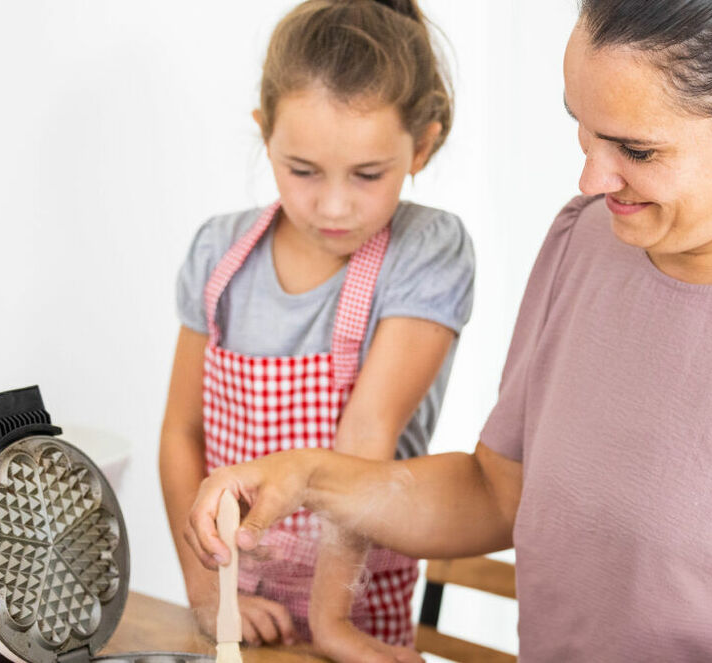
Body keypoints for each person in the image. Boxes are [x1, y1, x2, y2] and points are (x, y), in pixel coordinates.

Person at [185, 1, 712, 661]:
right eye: (584, 129)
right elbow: (495, 492)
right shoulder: (586, 240)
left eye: (636, 148)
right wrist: (307, 476)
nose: (592, 176)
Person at [157, 1, 474, 661]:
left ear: (421, 145)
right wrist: (207, 591)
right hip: (232, 606)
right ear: (263, 133)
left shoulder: (425, 251)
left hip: (355, 610)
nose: (332, 205)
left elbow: (365, 439)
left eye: (368, 175)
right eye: (302, 170)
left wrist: (332, 624)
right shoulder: (219, 253)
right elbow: (182, 433)